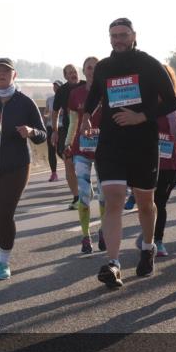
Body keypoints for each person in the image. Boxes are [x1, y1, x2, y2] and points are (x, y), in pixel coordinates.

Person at [81, 18, 176, 288]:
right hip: (111, 145)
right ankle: (113, 263)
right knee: (113, 201)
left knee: (145, 203)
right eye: (113, 36)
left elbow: (170, 102)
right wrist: (87, 116)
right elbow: (94, 96)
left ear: (134, 36)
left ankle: (147, 247)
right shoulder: (104, 67)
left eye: (123, 35)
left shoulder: (148, 64)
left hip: (142, 144)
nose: (118, 40)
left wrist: (141, 117)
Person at [0, 58, 47, 279]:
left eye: (6, 71)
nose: (1, 75)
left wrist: (31, 131)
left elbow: (43, 135)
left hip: (17, 165)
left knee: (4, 213)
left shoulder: (25, 102)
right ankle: (4, 241)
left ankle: (3, 260)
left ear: (15, 76)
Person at [138, 64, 176, 256]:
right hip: (145, 160)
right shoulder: (141, 105)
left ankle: (157, 240)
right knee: (148, 203)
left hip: (169, 162)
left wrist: (171, 113)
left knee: (160, 201)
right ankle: (149, 235)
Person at [65, 56, 106, 253]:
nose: (92, 70)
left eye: (96, 67)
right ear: (84, 71)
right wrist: (67, 142)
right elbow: (73, 122)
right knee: (84, 193)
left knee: (103, 194)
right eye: (89, 68)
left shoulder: (108, 91)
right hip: (81, 150)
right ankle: (85, 236)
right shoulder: (75, 94)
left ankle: (104, 231)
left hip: (104, 149)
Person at [51, 64, 82, 209]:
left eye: (74, 71)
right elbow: (55, 112)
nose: (73, 74)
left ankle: (91, 189)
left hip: (87, 130)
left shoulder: (86, 86)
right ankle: (77, 197)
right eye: (70, 73)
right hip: (68, 130)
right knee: (68, 162)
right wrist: (55, 131)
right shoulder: (62, 91)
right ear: (65, 76)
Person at [44, 82, 62, 181]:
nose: (55, 88)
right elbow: (46, 112)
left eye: (57, 87)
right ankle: (54, 174)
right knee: (51, 151)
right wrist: (47, 115)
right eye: (54, 87)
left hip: (61, 126)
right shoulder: (50, 99)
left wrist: (57, 113)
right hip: (50, 127)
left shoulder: (65, 98)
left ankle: (71, 166)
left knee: (60, 150)